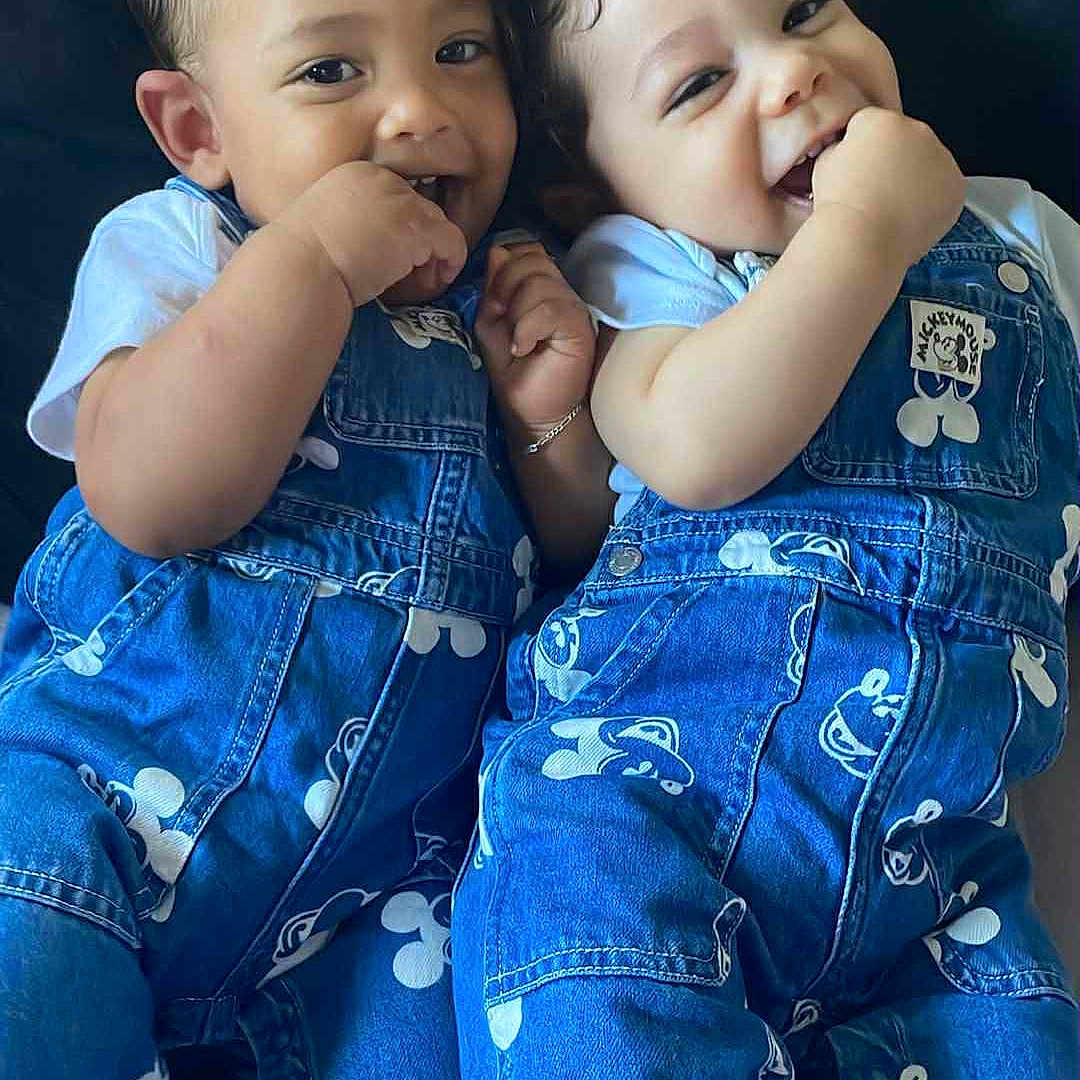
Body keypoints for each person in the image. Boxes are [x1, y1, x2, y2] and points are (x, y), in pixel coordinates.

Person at [452, 0, 1080, 1076]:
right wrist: (866, 232)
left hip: (940, 864)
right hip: (643, 804)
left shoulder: (1029, 234)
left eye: (801, 11)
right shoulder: (660, 269)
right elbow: (696, 448)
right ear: (594, 189)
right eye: (699, 85)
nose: (793, 73)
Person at [0, 0, 609, 1076]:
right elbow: (149, 497)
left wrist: (549, 411)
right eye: (331, 69)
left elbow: (580, 558)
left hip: (382, 905)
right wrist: (313, 262)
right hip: (95, 786)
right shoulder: (184, 244)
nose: (422, 109)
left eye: (460, 53)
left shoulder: (522, 284)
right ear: (200, 133)